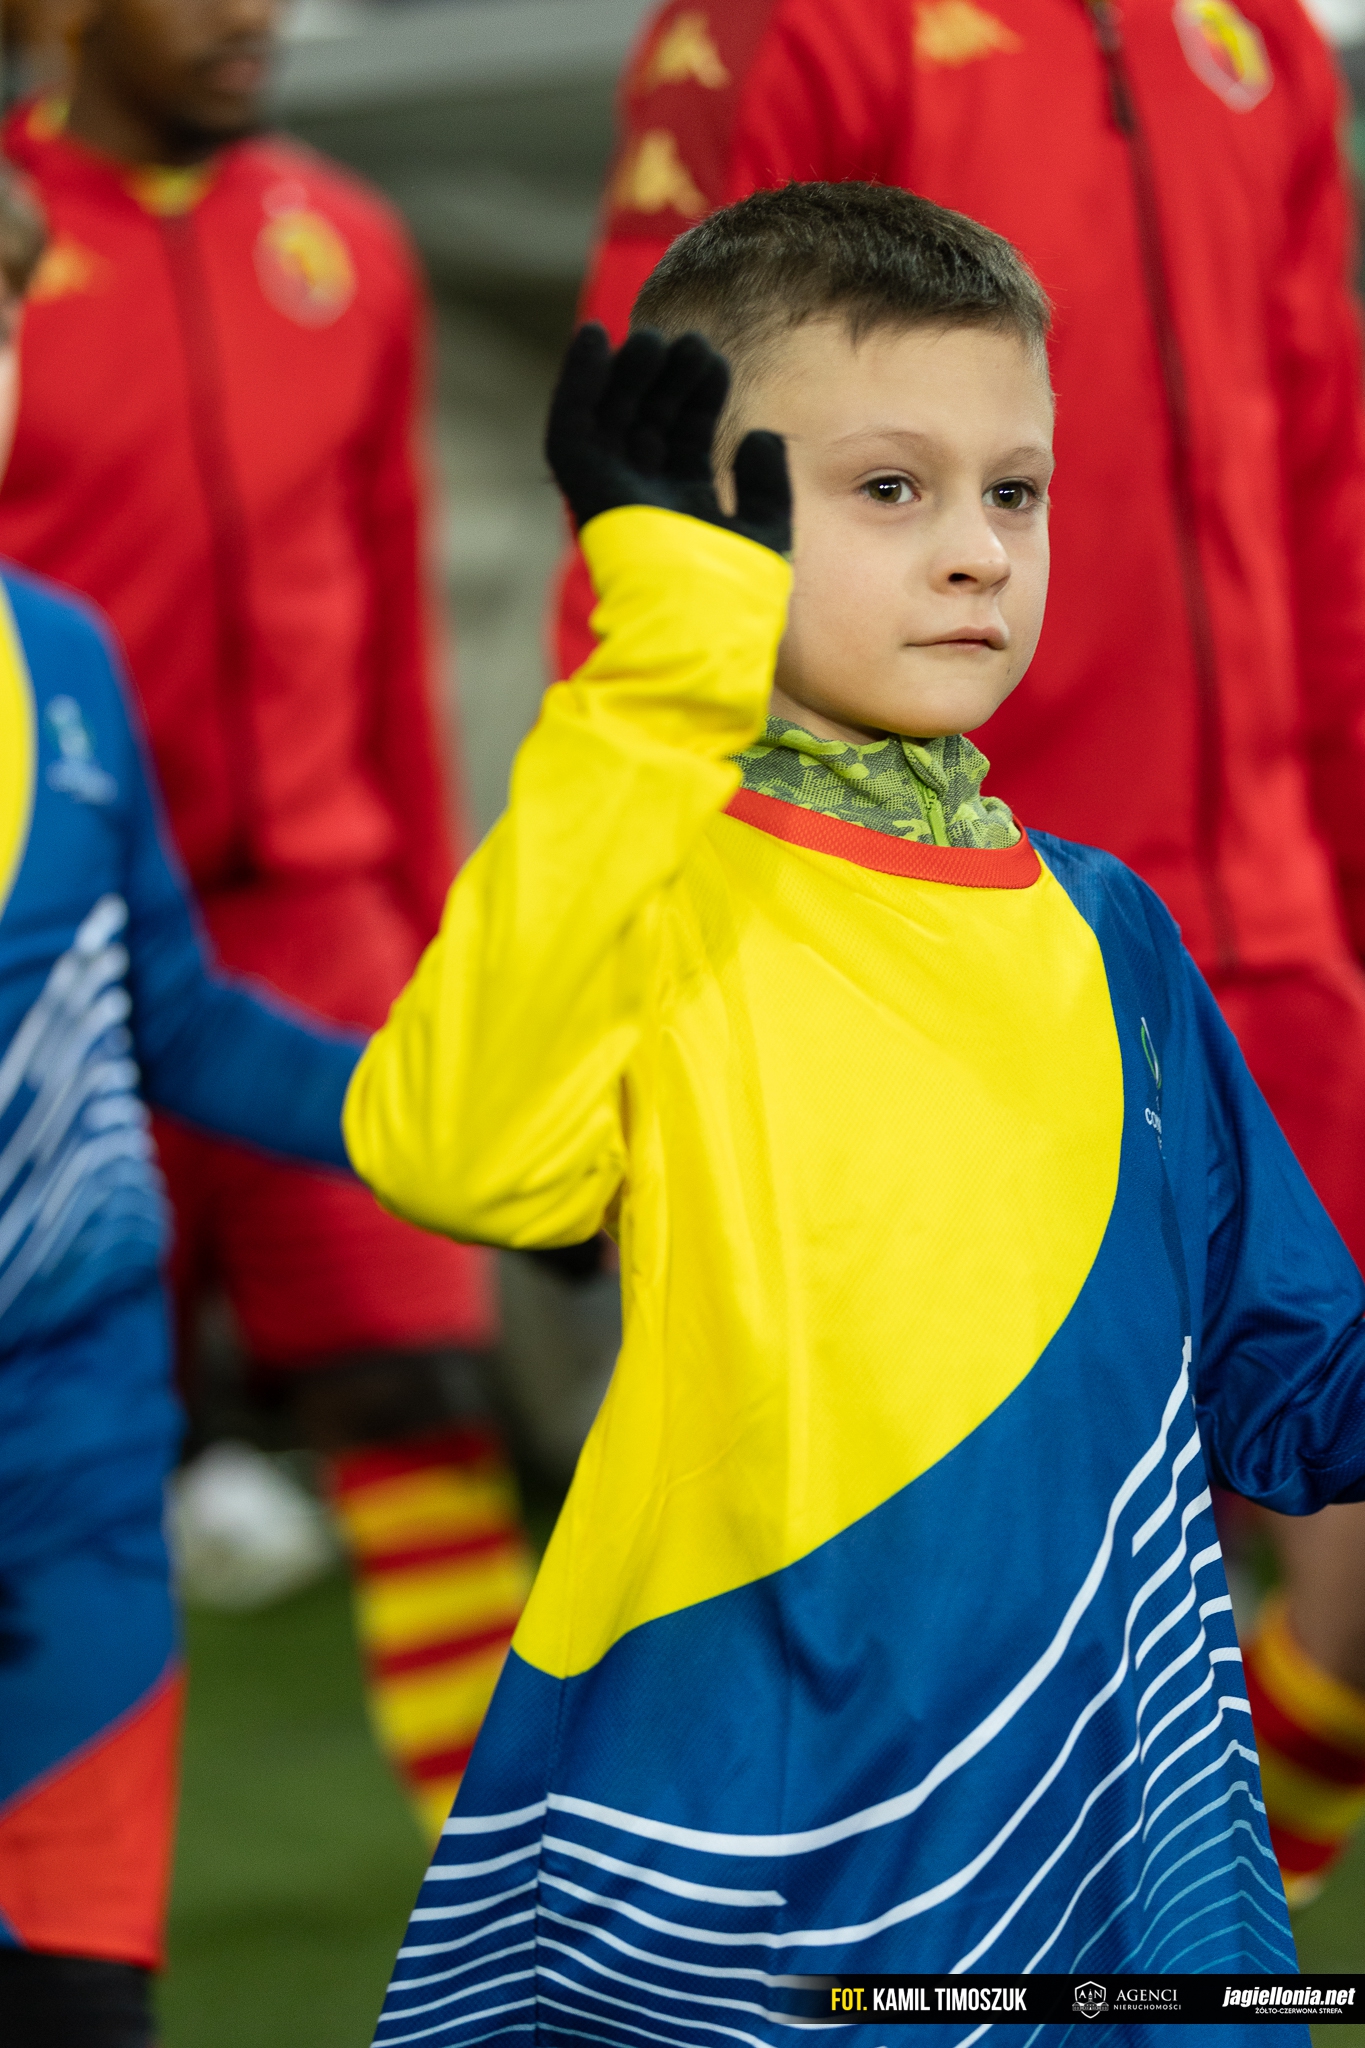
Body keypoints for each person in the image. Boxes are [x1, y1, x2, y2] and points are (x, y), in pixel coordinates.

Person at [349, 184, 1365, 2041]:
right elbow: (448, 1151)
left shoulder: (1109, 932)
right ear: (705, 511)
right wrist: (662, 664)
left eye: (1014, 491)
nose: (977, 552)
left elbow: (1293, 1376)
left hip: (1130, 1854)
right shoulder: (659, 882)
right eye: (891, 488)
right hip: (766, 1867)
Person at [554, 0, 1365, 1907]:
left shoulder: (1257, 41)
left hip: (1253, 922)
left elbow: (1323, 473)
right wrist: (616, 943)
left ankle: (1166, 1935)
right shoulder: (790, 22)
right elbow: (651, 471)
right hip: (938, 920)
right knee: (949, 1635)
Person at [0, 0, 531, 1837]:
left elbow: (384, 614)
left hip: (312, 923)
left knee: (417, 1380)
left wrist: (432, 932)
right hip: (51, 938)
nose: (251, 17)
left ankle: (509, 1893)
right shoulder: (11, 236)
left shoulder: (345, 244)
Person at [0, 169, 362, 2047]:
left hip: (77, 1476)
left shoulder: (61, 657)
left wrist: (461, 1130)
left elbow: (181, 1020)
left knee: (81, 2015)